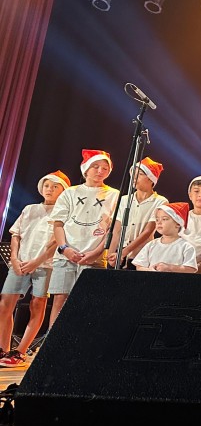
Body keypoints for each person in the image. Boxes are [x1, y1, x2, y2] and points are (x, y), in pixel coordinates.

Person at [0, 171, 69, 368]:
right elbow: (16, 234)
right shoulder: (30, 209)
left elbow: (56, 242)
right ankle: (3, 348)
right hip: (20, 263)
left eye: (55, 186)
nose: (50, 189)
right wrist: (14, 258)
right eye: (47, 185)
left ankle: (20, 351)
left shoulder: (62, 213)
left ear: (63, 190)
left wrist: (37, 261)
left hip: (45, 266)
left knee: (37, 304)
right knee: (5, 304)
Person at [47, 150, 120, 327]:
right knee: (60, 300)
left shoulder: (114, 195)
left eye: (105, 168)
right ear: (86, 169)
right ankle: (53, 347)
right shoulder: (70, 193)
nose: (100, 171)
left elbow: (114, 230)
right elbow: (58, 224)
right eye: (96, 166)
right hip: (67, 255)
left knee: (88, 303)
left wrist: (97, 252)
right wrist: (65, 249)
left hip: (94, 258)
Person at [107, 157, 168, 269]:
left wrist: (123, 253)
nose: (134, 177)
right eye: (133, 173)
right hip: (119, 254)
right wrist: (111, 255)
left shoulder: (160, 201)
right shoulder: (125, 199)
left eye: (139, 174)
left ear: (151, 179)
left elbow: (148, 231)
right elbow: (117, 230)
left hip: (142, 255)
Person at [132, 202, 198, 273]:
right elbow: (139, 266)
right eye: (157, 219)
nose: (159, 222)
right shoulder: (151, 245)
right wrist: (150, 270)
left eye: (164, 219)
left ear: (178, 223)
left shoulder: (185, 246)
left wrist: (170, 268)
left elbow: (191, 269)